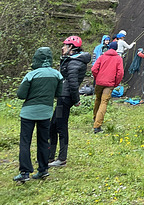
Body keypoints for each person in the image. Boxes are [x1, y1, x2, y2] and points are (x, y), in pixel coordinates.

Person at [14, 47, 63, 183]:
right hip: (45, 112)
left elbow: (20, 95)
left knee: (25, 142)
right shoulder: (57, 75)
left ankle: (24, 172)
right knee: (43, 141)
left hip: (28, 113)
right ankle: (43, 169)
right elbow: (58, 93)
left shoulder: (31, 75)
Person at [48, 36, 91, 168]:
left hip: (65, 98)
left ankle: (61, 158)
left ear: (71, 47)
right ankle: (50, 156)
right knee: (53, 126)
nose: (63, 48)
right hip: (63, 96)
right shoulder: (71, 60)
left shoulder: (74, 63)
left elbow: (73, 84)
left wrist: (77, 100)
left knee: (61, 126)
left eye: (65, 45)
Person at [90, 41, 124, 134]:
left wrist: (97, 78)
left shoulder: (102, 56)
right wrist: (116, 83)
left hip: (99, 83)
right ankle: (97, 126)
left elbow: (93, 69)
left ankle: (95, 118)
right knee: (103, 102)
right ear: (116, 49)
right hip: (109, 84)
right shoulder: (118, 59)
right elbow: (120, 73)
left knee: (97, 99)